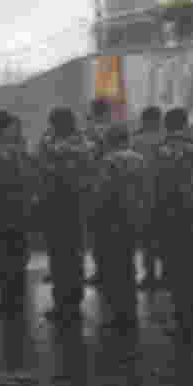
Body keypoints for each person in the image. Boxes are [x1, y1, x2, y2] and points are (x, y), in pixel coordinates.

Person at [37, 107, 96, 323]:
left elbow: (43, 167)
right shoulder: (81, 142)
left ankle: (65, 304)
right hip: (71, 204)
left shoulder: (50, 142)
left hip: (62, 204)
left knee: (62, 257)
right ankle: (70, 303)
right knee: (70, 256)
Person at [154, 108, 193, 343]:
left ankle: (182, 323)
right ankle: (191, 323)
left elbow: (158, 185)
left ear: (167, 125)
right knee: (192, 273)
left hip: (171, 217)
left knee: (176, 273)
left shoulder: (163, 150)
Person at [93, 123, 149, 328]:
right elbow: (147, 190)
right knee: (128, 265)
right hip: (134, 219)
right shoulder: (139, 159)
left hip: (112, 220)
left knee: (114, 269)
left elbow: (102, 192)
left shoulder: (108, 161)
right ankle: (130, 312)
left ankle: (120, 315)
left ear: (110, 140)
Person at [0, 110, 35, 317]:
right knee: (14, 258)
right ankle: (14, 301)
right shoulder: (16, 151)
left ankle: (8, 301)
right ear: (4, 128)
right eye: (11, 125)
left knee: (3, 259)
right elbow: (27, 179)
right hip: (15, 213)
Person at [131, 106, 165, 289]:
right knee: (165, 236)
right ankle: (166, 274)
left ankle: (150, 274)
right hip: (165, 195)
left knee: (147, 238)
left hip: (144, 195)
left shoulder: (136, 140)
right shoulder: (166, 139)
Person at [85, 97, 112, 286]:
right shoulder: (115, 129)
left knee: (97, 233)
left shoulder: (89, 131)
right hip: (113, 186)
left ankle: (101, 271)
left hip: (95, 187)